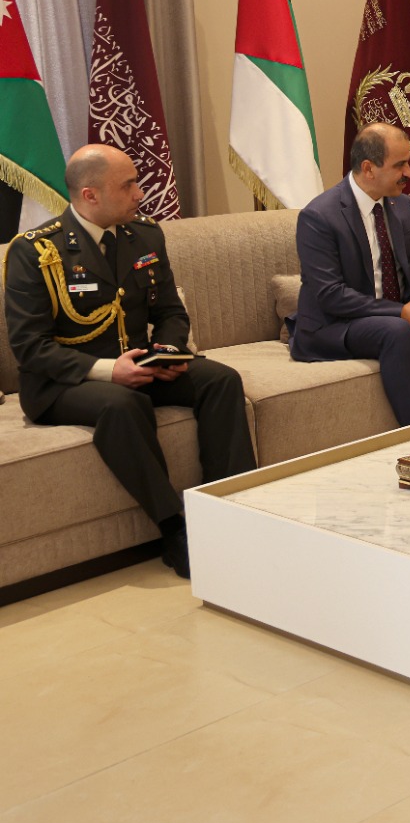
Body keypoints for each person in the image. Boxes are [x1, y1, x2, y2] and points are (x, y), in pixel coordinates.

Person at [4, 145, 256, 578]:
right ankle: (174, 529)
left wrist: (169, 353)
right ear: (90, 194)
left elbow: (170, 313)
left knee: (220, 380)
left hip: (142, 366)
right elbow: (30, 347)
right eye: (128, 185)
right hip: (65, 383)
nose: (140, 193)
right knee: (123, 404)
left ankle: (229, 508)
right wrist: (109, 371)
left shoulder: (144, 235)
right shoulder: (36, 251)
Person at [289, 122, 410, 429]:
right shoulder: (319, 216)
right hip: (335, 325)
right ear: (369, 168)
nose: (409, 173)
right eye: (400, 165)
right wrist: (403, 312)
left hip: (392, 317)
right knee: (395, 330)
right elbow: (331, 295)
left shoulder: (401, 205)